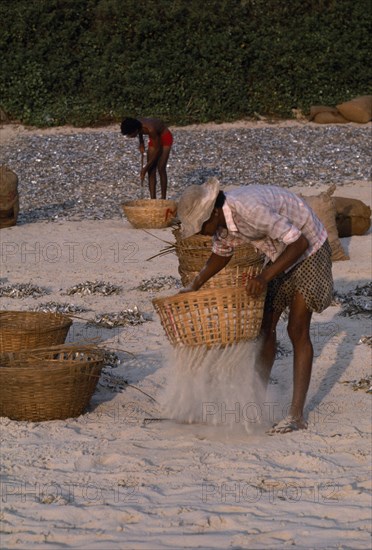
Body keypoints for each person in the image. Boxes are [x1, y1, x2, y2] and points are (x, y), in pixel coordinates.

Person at [177, 178, 334, 435]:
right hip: (280, 252)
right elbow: (220, 255)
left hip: (309, 248)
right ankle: (257, 402)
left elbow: (299, 244)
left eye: (201, 225)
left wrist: (263, 278)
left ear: (214, 212)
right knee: (265, 329)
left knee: (297, 329)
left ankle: (296, 415)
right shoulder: (222, 225)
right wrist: (194, 285)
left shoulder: (249, 209)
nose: (201, 232)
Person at [120, 117, 173, 199]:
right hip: (154, 138)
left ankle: (163, 198)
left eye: (130, 134)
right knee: (151, 170)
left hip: (165, 137)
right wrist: (141, 143)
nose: (129, 136)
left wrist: (145, 168)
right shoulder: (137, 123)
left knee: (161, 168)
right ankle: (153, 199)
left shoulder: (150, 129)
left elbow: (158, 150)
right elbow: (140, 131)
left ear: (135, 130)